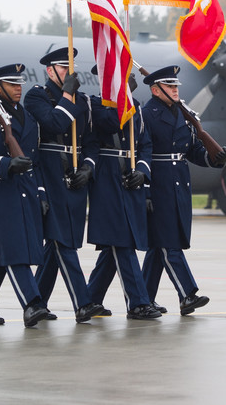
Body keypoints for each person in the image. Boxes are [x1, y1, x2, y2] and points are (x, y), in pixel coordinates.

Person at [141, 65, 226, 315]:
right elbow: (142, 153)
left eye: (176, 86)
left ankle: (142, 299)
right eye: (170, 86)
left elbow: (191, 150)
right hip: (159, 184)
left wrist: (214, 159)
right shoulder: (147, 114)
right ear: (155, 90)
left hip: (178, 183)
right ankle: (187, 294)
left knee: (160, 247)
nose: (175, 90)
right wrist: (146, 190)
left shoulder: (181, 113)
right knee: (169, 244)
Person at [25, 48, 104, 323]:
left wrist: (88, 167)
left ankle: (35, 303)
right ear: (50, 71)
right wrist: (68, 95)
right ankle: (83, 303)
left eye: (71, 68)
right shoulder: (37, 96)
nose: (70, 73)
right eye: (63, 68)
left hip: (75, 176)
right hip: (50, 174)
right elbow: (54, 121)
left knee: (61, 242)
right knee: (61, 241)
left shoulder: (82, 100)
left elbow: (91, 142)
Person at [0, 63, 50, 328]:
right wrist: (6, 165)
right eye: (12, 84)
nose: (18, 89)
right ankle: (32, 304)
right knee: (14, 251)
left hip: (25, 192)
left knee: (2, 251)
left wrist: (40, 193)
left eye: (19, 84)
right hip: (0, 195)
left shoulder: (27, 118)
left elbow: (35, 160)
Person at [84, 69, 162, 320]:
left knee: (115, 244)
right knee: (122, 241)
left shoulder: (136, 107)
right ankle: (138, 302)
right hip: (107, 178)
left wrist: (142, 171)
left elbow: (145, 144)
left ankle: (91, 298)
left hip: (130, 179)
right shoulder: (95, 104)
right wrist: (122, 97)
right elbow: (110, 122)